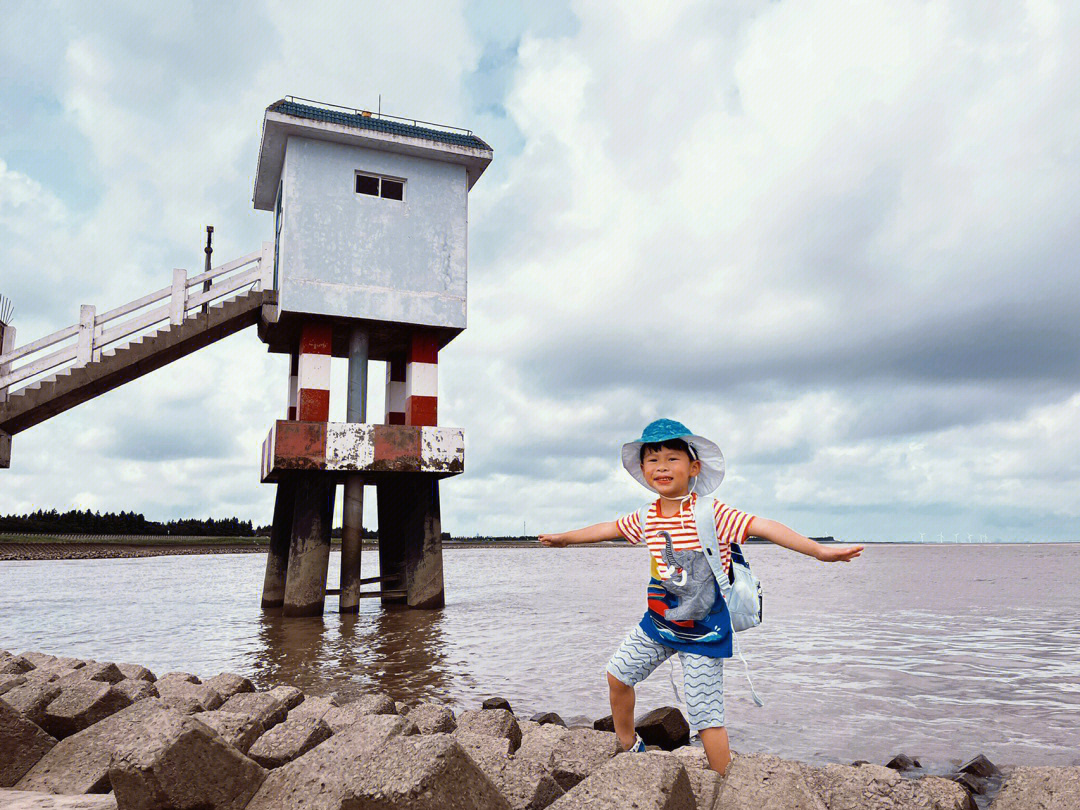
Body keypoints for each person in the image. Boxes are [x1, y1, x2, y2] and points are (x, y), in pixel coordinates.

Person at [538, 419, 863, 775]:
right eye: (652, 459)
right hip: (658, 624)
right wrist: (564, 538)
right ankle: (630, 746)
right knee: (618, 675)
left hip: (704, 632)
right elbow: (607, 529)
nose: (661, 466)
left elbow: (764, 526)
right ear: (643, 470)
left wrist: (818, 551)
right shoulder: (647, 516)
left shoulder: (711, 513)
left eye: (672, 458)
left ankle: (724, 782)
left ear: (694, 467)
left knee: (706, 716)